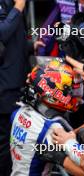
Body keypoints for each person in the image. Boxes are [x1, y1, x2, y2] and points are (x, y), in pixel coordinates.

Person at [9, 58, 84, 175]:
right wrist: (63, 157)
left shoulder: (18, 112)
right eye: (70, 91)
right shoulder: (53, 129)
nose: (77, 97)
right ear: (54, 94)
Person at [0, 0, 33, 175]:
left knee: (13, 137)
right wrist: (18, 7)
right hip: (4, 87)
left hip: (17, 82)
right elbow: (2, 33)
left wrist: (30, 46)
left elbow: (12, 41)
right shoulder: (15, 5)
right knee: (4, 142)